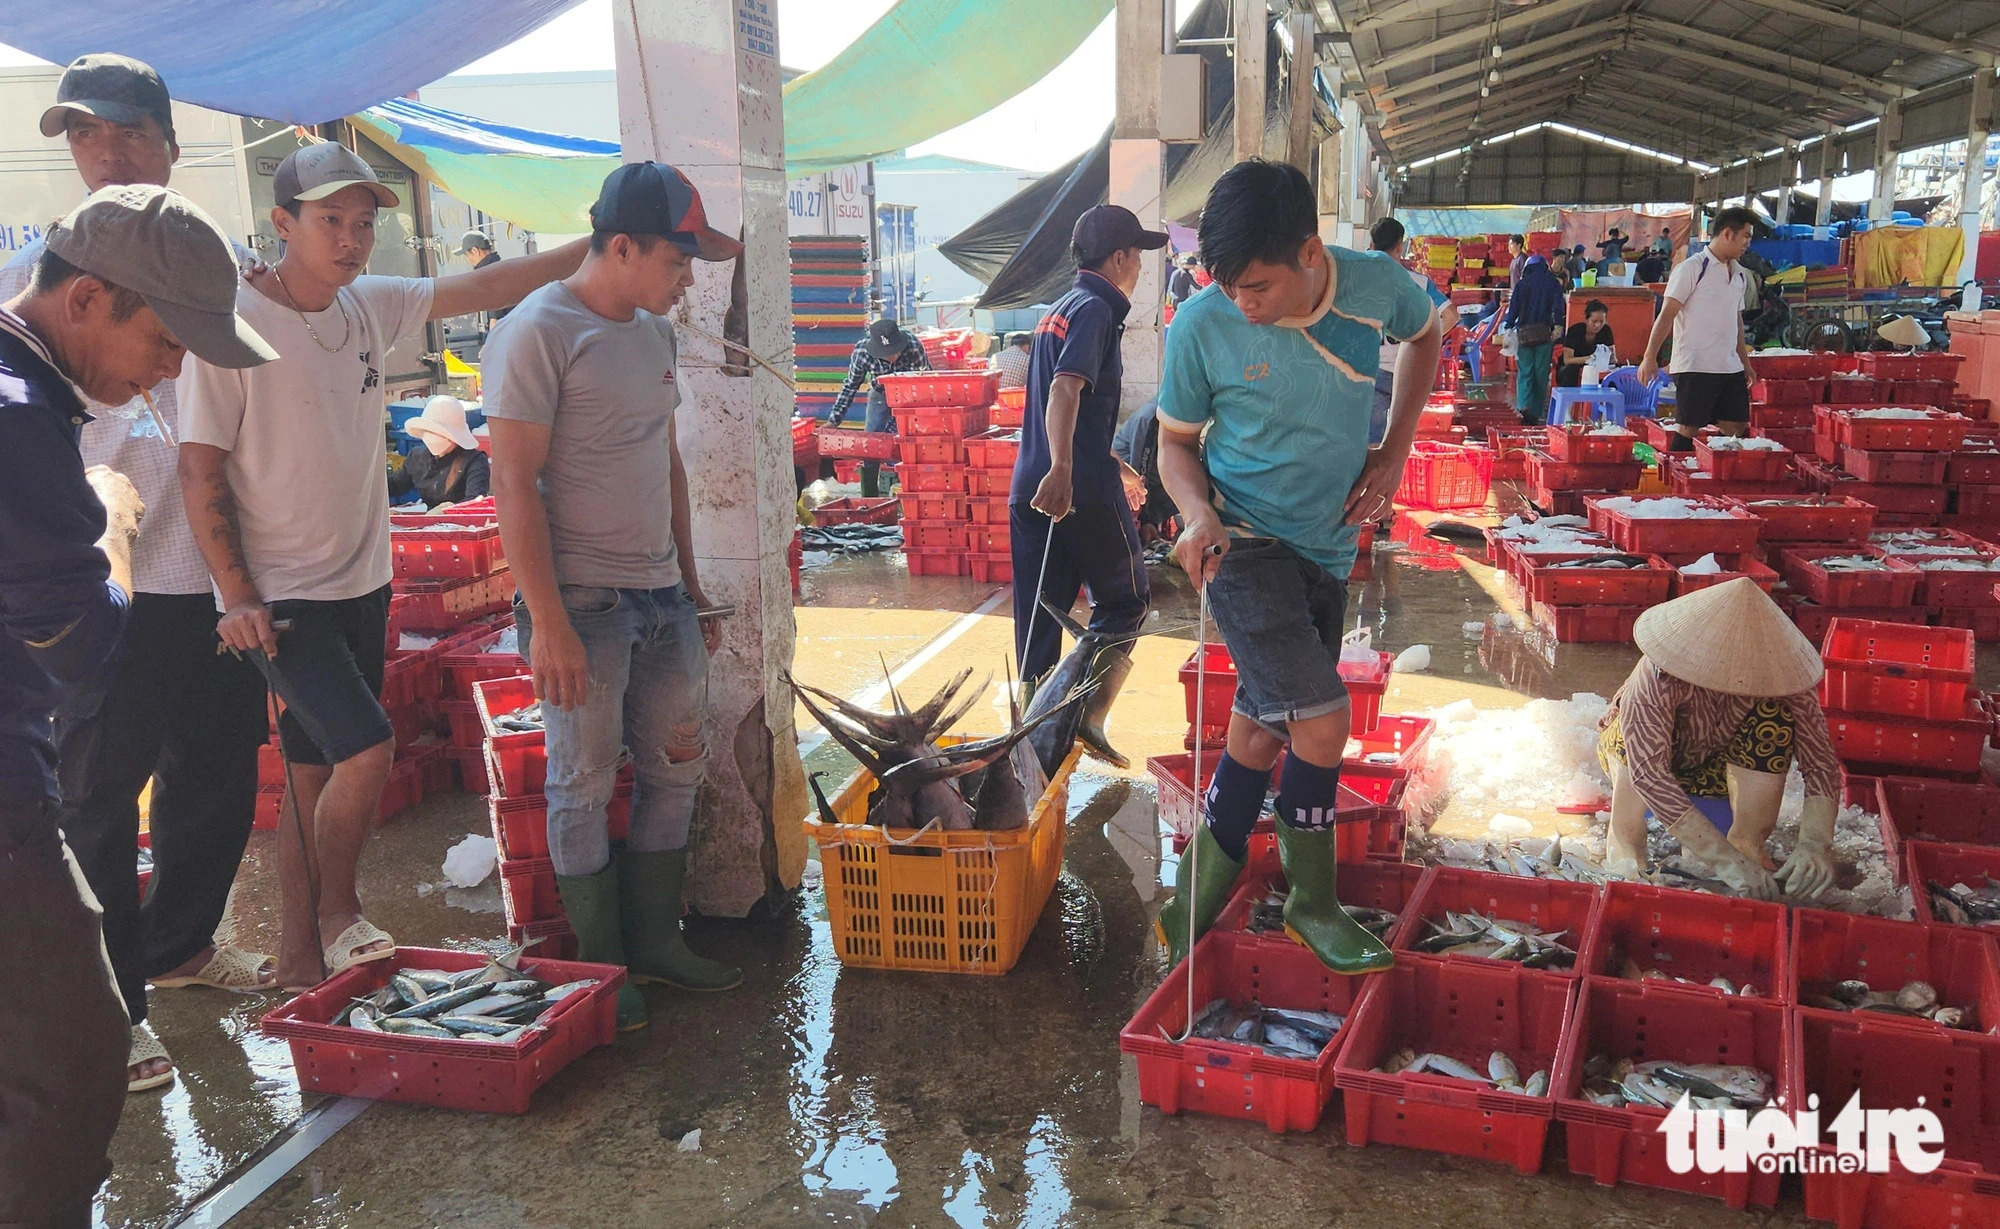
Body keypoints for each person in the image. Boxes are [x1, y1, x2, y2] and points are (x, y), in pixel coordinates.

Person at [178, 142, 589, 993]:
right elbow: (199, 468)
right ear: (282, 224)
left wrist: (605, 237)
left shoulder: (366, 305)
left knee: (309, 775)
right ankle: (338, 910)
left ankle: (298, 960)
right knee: (368, 746)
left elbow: (484, 285)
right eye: (331, 220)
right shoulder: (232, 328)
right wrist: (237, 594)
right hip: (282, 597)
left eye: (363, 223)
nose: (352, 237)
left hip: (364, 581)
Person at [0, 53, 278, 1096]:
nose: (170, 367)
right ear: (85, 299)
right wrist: (109, 522)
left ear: (169, 138)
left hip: (195, 585)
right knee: (96, 800)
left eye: (122, 132)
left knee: (210, 776)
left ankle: (176, 947)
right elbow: (67, 642)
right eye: (82, 134)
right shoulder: (25, 385)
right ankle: (112, 1007)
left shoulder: (211, 270)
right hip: (80, 610)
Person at [1150, 160, 1442, 975]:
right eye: (1227, 285)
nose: (1240, 302)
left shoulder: (1377, 287)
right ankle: (1311, 902)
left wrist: (1396, 450)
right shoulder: (1201, 324)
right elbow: (1174, 443)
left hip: (1326, 544)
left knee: (1257, 730)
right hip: (1240, 543)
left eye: (1257, 285)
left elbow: (1428, 334)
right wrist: (1197, 512)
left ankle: (1199, 884)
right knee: (1321, 718)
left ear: (1311, 252)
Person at [484, 162, 743, 1033]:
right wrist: (546, 620)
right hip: (582, 603)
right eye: (679, 258)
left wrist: (692, 581)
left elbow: (663, 456)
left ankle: (657, 943)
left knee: (674, 770)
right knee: (582, 783)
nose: (689, 277)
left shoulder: (651, 333)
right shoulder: (536, 331)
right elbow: (513, 484)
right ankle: (602, 969)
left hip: (662, 595)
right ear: (621, 245)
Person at [1011, 204, 1159, 767]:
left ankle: (1029, 746)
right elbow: (1065, 392)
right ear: (1119, 257)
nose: (1140, 266)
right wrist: (1067, 469)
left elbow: (1071, 400)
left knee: (1041, 619)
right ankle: (1087, 715)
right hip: (1073, 487)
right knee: (1125, 601)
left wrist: (1101, 460)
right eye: (1137, 255)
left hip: (1031, 484)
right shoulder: (1097, 308)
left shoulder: (1060, 307)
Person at [1598, 579, 1840, 900]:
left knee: (1775, 719)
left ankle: (1746, 846)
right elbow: (1650, 775)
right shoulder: (1657, 675)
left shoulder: (1785, 680)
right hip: (1649, 758)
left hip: (1716, 763)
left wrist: (1813, 843)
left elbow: (1821, 765)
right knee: (1629, 845)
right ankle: (1628, 857)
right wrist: (1725, 862)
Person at [1635, 206, 1758, 450]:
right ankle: (1677, 480)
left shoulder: (1741, 275)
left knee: (1736, 428)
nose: (1747, 243)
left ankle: (1719, 479)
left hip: (1729, 366)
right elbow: (1666, 316)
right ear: (1727, 234)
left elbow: (1736, 322)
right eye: (1745, 236)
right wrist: (1649, 357)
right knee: (1688, 428)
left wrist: (1745, 364)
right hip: (1695, 365)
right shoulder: (1692, 268)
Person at [1368, 217, 1452, 445]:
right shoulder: (1419, 282)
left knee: (1372, 441)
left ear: (1372, 246)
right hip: (1411, 370)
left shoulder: (1361, 280)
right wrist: (1426, 340)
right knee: (1404, 440)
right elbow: (1451, 316)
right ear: (1399, 247)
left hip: (1372, 369)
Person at [828, 316, 930, 496]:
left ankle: (912, 489)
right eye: (887, 353)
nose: (893, 356)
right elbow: (851, 385)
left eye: (895, 351)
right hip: (880, 393)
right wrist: (834, 420)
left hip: (911, 395)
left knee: (910, 441)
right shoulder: (861, 353)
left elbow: (926, 384)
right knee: (871, 442)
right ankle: (870, 496)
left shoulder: (914, 346)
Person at [388, 395, 490, 507]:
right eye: (429, 431)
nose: (432, 436)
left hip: (461, 522)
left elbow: (474, 501)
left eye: (437, 432)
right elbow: (396, 485)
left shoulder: (475, 461)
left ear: (454, 437)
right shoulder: (417, 457)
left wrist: (447, 511)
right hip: (427, 521)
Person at [1502, 253, 1564, 425]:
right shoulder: (1552, 283)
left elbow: (1513, 309)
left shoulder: (1522, 284)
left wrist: (1508, 327)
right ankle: (1535, 413)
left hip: (1524, 335)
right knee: (1541, 373)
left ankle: (1524, 407)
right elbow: (1558, 306)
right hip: (1545, 335)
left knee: (1525, 372)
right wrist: (1558, 325)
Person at [1110, 399, 1178, 544]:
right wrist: (1147, 521)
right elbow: (1140, 473)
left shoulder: (1179, 418)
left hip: (1153, 482)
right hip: (1131, 485)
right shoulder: (1150, 418)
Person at [1557, 298, 1615, 389]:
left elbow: (1613, 358)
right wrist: (1591, 358)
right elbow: (1567, 360)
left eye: (1601, 322)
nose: (1598, 325)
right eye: (1594, 321)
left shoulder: (1606, 331)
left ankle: (1607, 401)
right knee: (1571, 369)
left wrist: (1606, 358)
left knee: (1613, 375)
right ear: (1586, 319)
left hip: (1596, 369)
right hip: (1570, 369)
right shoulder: (1574, 331)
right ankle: (1569, 401)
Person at [459, 230, 509, 323]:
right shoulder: (503, 268)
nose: (468, 260)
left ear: (475, 251)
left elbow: (495, 319)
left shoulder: (489, 275)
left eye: (467, 255)